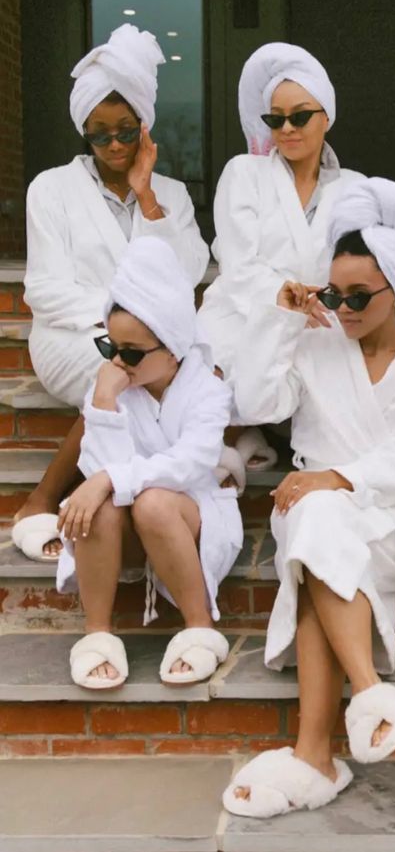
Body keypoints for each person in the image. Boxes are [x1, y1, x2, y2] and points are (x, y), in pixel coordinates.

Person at [221, 178, 395, 818]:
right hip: (315, 506)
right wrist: (281, 318)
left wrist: (338, 478)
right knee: (317, 526)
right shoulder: (315, 342)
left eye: (358, 296)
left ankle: (316, 752)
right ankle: (364, 696)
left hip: (387, 513)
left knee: (317, 535)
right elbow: (258, 403)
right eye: (332, 293)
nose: (342, 308)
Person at [13, 24, 210, 563]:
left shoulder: (169, 194)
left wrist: (148, 200)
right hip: (71, 336)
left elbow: (189, 268)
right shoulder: (50, 189)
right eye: (101, 135)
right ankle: (43, 498)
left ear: (144, 127)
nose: (116, 145)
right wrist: (121, 327)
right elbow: (45, 290)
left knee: (175, 365)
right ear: (85, 133)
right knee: (121, 373)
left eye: (126, 131)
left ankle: (132, 498)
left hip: (147, 340)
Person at [55, 236, 242, 690]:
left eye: (133, 353)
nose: (118, 362)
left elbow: (191, 464)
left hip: (189, 510)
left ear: (174, 346)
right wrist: (102, 401)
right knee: (100, 503)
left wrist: (109, 479)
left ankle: (199, 626)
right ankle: (98, 634)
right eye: (110, 347)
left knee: (153, 501)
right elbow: (99, 466)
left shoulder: (208, 391)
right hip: (122, 520)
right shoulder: (111, 385)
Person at [196, 42, 363, 469]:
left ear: (326, 115)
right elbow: (238, 261)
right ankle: (231, 439)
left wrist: (317, 303)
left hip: (326, 316)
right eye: (276, 119)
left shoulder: (355, 188)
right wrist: (285, 300)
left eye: (300, 116)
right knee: (226, 359)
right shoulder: (243, 173)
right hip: (247, 307)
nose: (287, 128)